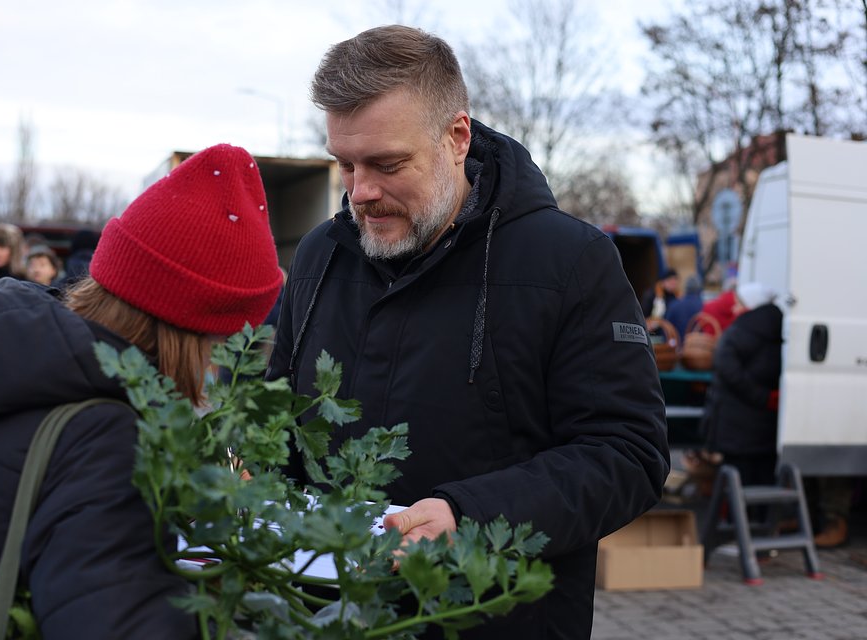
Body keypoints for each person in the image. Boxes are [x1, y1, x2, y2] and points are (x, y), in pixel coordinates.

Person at [266, 25, 669, 639]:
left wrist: (469, 515)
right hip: (326, 615)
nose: (361, 191)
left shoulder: (569, 262)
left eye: (387, 163)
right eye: (345, 164)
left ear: (457, 137)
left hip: (496, 618)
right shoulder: (322, 255)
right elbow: (277, 418)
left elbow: (627, 455)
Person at [0, 144, 283, 639]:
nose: (221, 364)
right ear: (193, 332)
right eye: (229, 342)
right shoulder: (108, 435)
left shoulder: (13, 354)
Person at [701, 281, 782, 487]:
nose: (735, 308)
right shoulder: (778, 330)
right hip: (764, 424)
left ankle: (734, 518)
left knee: (737, 481)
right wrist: (765, 398)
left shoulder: (741, 330)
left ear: (751, 305)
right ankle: (763, 518)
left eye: (739, 303)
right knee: (763, 479)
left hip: (736, 423)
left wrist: (760, 397)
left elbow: (726, 368)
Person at [665, 274, 704, 343]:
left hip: (678, 350)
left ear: (685, 289)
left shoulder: (674, 305)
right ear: (699, 290)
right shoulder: (704, 306)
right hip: (700, 349)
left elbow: (667, 330)